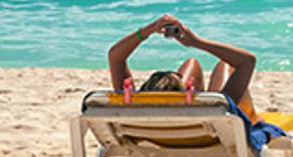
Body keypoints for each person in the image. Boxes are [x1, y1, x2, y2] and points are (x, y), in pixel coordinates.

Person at [107, 14, 257, 118]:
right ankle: (253, 116)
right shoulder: (215, 110)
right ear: (186, 91)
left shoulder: (132, 106)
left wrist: (149, 29)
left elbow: (115, 57)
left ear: (145, 90)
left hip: (149, 138)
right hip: (204, 138)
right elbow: (247, 60)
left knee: (191, 63)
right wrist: (197, 42)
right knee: (226, 65)